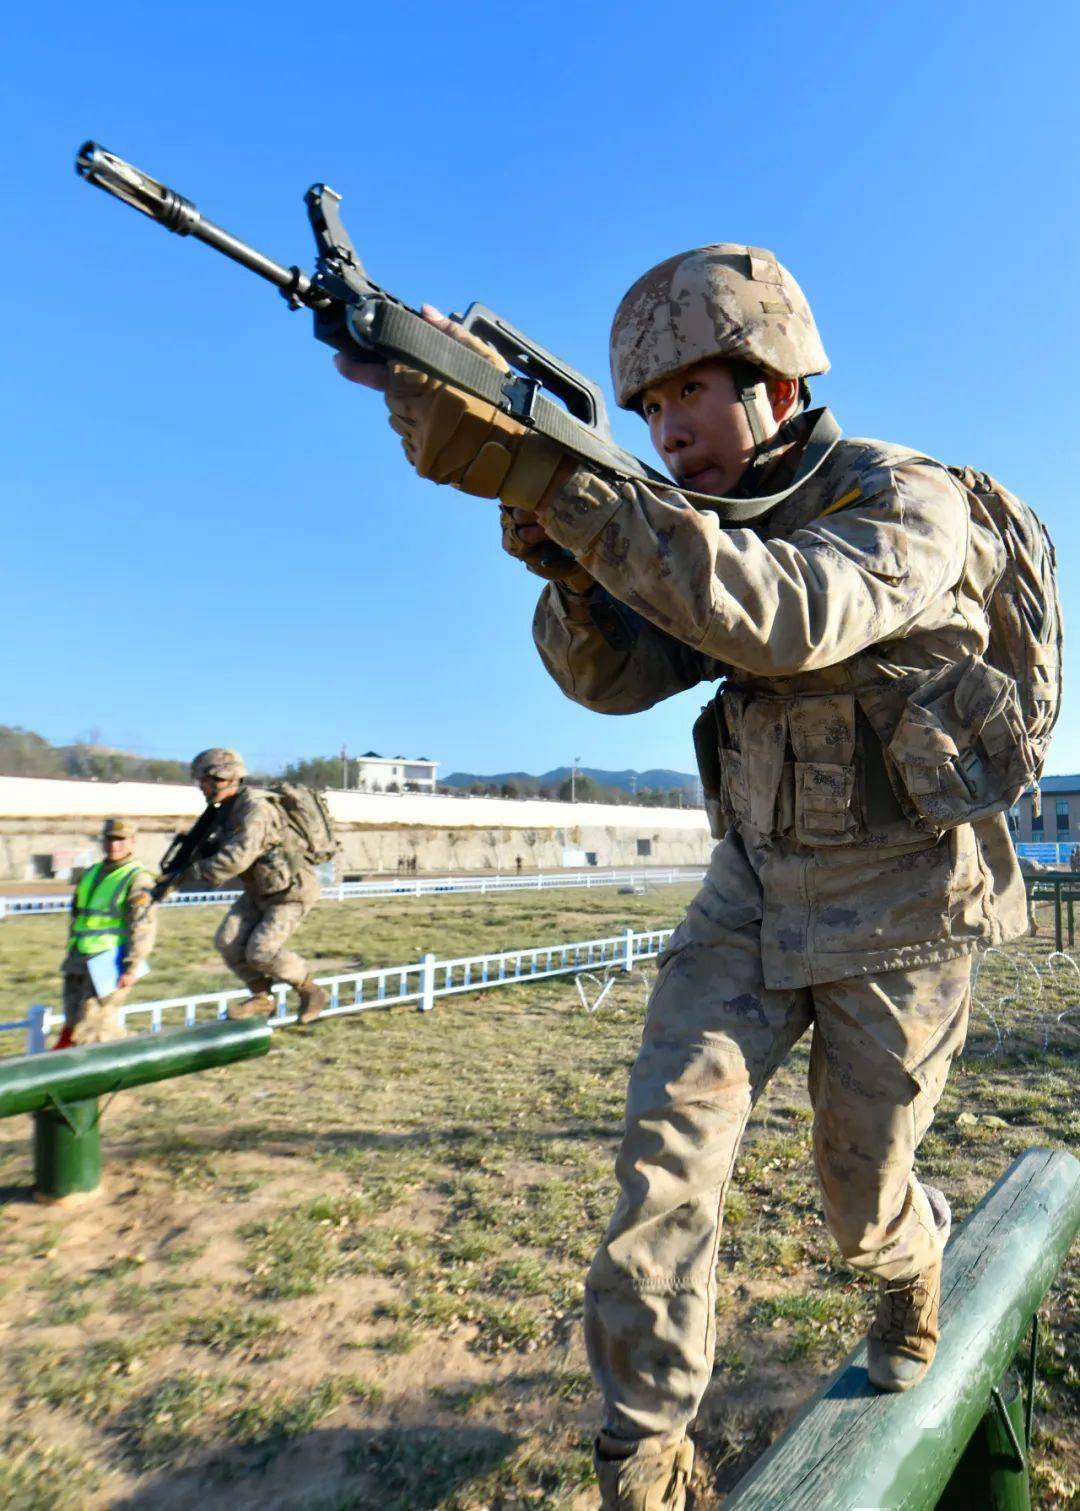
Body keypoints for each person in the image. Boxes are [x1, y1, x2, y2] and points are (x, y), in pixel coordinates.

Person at [336, 248, 1030, 1509]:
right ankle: (645, 1452)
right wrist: (555, 534)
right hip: (751, 888)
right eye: (646, 410)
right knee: (665, 1162)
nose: (667, 430)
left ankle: (908, 1259)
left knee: (861, 1192)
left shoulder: (908, 501)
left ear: (771, 379)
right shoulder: (685, 524)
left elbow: (788, 614)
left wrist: (577, 486)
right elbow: (605, 679)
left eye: (690, 393)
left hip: (905, 903)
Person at [187, 748, 328, 1025]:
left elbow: (238, 856)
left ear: (221, 779)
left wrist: (197, 872)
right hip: (260, 888)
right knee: (228, 941)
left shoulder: (255, 809)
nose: (201, 787)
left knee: (261, 951)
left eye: (203, 781)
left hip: (290, 890)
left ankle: (310, 990)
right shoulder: (227, 809)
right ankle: (262, 998)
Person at [58, 817, 156, 1047]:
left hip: (109, 963)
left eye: (121, 840)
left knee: (93, 1025)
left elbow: (143, 926)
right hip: (78, 959)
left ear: (132, 842)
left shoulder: (137, 878)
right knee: (73, 1020)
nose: (115, 845)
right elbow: (78, 915)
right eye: (111, 839)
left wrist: (132, 966)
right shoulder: (91, 873)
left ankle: (104, 1072)